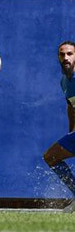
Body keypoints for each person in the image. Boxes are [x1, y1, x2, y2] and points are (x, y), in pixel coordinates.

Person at [43, 41, 75, 213]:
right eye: (62, 54)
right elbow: (71, 106)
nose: (66, 57)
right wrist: (71, 131)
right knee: (51, 157)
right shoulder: (64, 82)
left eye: (70, 54)